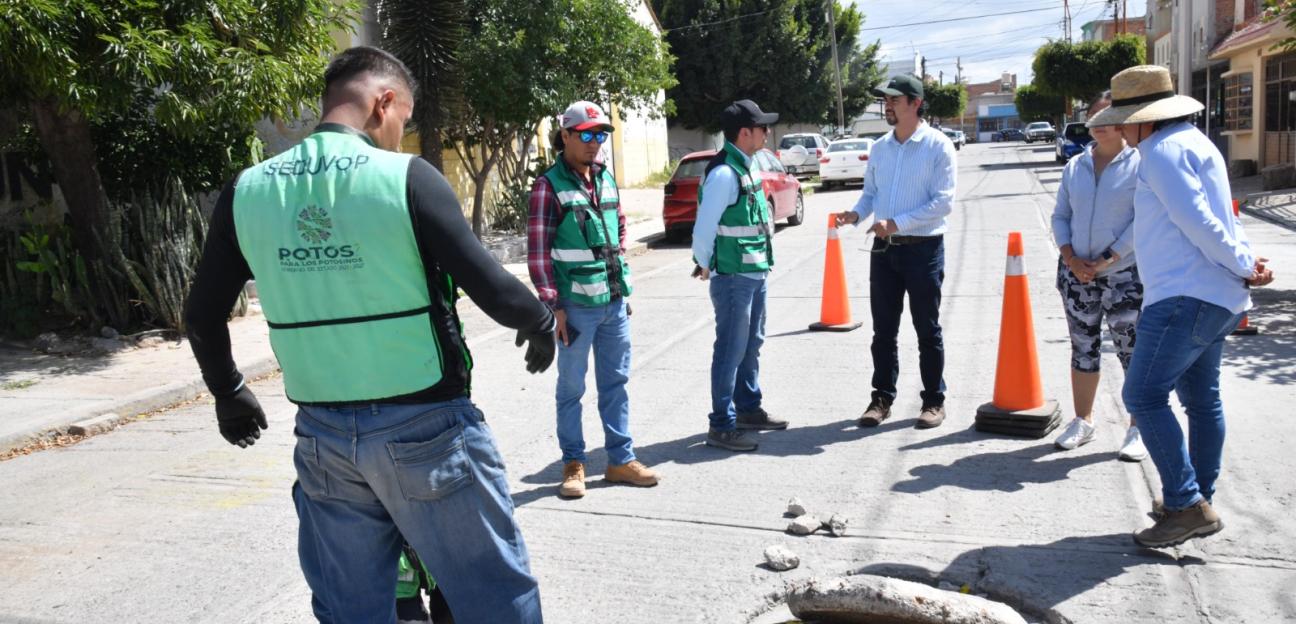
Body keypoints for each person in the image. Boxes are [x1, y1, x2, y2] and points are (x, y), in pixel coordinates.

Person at [183, 46, 555, 622]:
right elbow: (489, 284)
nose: (400, 134)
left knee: (351, 608)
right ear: (383, 101)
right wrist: (539, 321)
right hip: (426, 426)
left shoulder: (248, 191)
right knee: (493, 596)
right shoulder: (404, 178)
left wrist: (229, 391)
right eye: (403, 117)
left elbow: (202, 315)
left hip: (323, 437)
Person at [1086, 65, 1275, 549]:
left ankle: (1187, 504)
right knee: (1201, 400)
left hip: (1183, 296)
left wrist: (1244, 263)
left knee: (1142, 397)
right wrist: (1246, 262)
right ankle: (1193, 501)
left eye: (1124, 119)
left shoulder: (1160, 153)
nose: (1121, 129)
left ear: (1144, 118)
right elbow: (1221, 216)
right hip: (1215, 296)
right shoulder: (1195, 141)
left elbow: (1199, 223)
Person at [527, 101, 659, 498]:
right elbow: (538, 253)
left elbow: (618, 228)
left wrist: (619, 281)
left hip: (614, 303)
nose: (594, 142)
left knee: (616, 384)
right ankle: (574, 464)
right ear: (565, 135)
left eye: (600, 134)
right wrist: (554, 307)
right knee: (571, 389)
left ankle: (620, 460)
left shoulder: (605, 178)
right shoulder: (548, 186)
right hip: (575, 308)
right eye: (585, 134)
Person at [833, 74, 956, 430]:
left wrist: (897, 222)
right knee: (883, 331)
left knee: (926, 330)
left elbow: (943, 202)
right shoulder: (881, 148)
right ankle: (881, 398)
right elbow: (871, 193)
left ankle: (933, 400)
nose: (887, 106)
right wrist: (856, 214)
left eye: (894, 100)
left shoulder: (938, 146)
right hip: (884, 250)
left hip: (924, 250)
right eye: (885, 101)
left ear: (915, 104)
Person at [1050, 92, 1147, 461]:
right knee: (1083, 348)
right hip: (1077, 276)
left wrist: (1108, 258)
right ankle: (1083, 420)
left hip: (1124, 276)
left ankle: (1138, 426)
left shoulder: (1140, 165)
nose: (1100, 122)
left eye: (1108, 115)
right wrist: (1071, 258)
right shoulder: (1075, 166)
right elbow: (1060, 216)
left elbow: (1144, 218)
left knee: (1132, 352)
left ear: (1124, 120)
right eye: (1094, 116)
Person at [692, 99, 789, 452]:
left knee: (752, 343)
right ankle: (721, 424)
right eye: (762, 126)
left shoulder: (746, 166)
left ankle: (747, 408)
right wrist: (704, 261)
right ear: (744, 132)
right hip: (733, 276)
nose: (767, 131)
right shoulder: (724, 173)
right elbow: (704, 225)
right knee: (731, 349)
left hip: (754, 271)